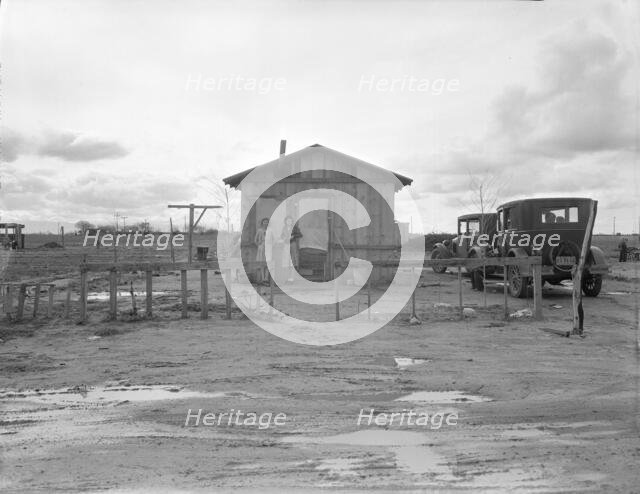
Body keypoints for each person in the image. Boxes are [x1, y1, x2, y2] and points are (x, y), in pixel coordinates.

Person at [281, 216, 302, 282]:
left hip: (293, 245)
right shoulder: (284, 228)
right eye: (287, 221)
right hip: (286, 245)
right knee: (286, 262)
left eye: (290, 221)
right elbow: (282, 235)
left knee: (292, 262)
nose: (289, 222)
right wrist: (283, 238)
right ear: (285, 221)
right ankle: (287, 278)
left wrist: (293, 236)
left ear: (292, 222)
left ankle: (292, 278)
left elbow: (300, 235)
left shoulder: (295, 228)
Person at [254, 218, 269, 283]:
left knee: (268, 264)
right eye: (264, 222)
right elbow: (255, 240)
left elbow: (273, 240)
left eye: (267, 222)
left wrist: (271, 245)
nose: (265, 223)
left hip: (268, 248)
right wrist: (259, 244)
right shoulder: (259, 230)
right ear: (262, 223)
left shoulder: (270, 230)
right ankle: (263, 278)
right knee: (262, 264)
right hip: (261, 248)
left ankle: (266, 278)